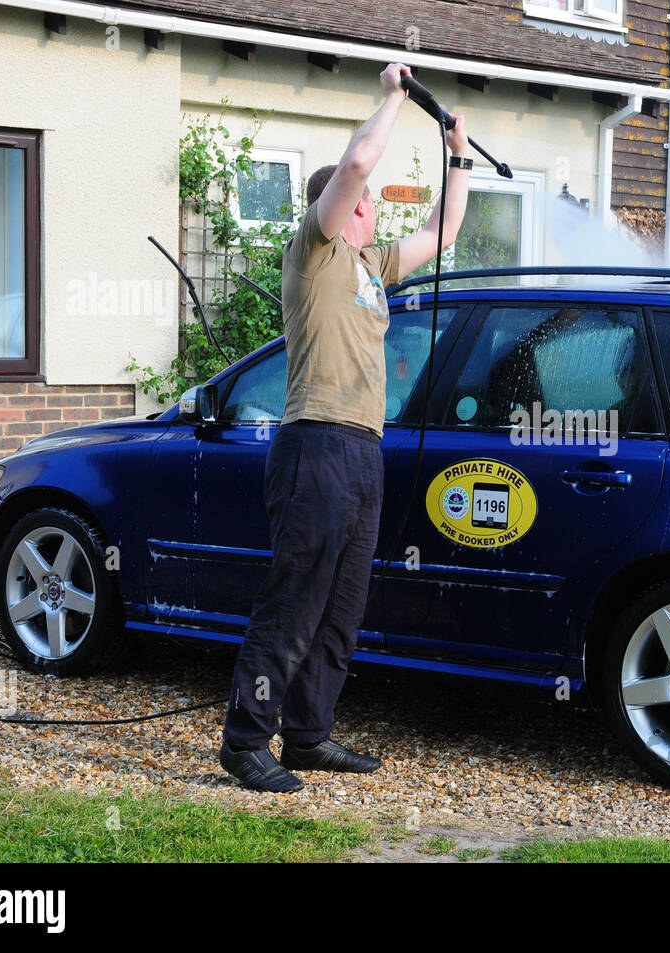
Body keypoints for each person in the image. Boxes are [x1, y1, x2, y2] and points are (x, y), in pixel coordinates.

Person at [218, 62, 472, 793]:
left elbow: (443, 231)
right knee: (294, 600)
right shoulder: (316, 252)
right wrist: (395, 96)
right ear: (346, 205)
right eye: (364, 199)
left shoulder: (371, 265)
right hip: (315, 445)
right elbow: (359, 160)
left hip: (364, 449)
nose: (372, 204)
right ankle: (245, 740)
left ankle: (307, 734)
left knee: (340, 608)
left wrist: (457, 152)